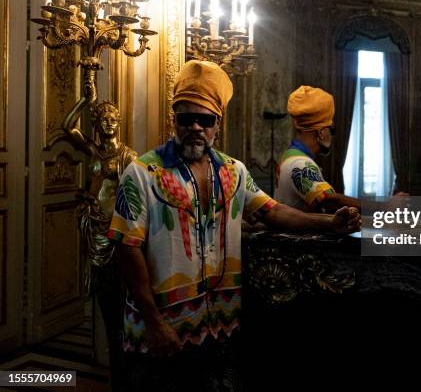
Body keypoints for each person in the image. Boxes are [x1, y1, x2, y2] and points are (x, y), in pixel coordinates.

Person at [108, 61, 360, 391]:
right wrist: (154, 322)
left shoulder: (234, 172)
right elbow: (127, 249)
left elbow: (274, 212)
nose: (195, 127)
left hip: (219, 328)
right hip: (160, 334)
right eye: (186, 118)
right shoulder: (141, 174)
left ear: (217, 125)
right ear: (173, 119)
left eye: (205, 119)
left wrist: (329, 222)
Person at [63, 97, 137, 391]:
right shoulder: (91, 150)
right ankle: (110, 362)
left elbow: (133, 198)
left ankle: (119, 367)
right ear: (97, 123)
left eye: (113, 117)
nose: (108, 121)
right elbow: (68, 126)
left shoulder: (128, 156)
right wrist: (85, 98)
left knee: (116, 304)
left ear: (119, 122)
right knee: (101, 296)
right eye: (103, 117)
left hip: (114, 233)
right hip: (93, 228)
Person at [275, 85, 360, 213]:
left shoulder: (290, 155)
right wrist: (383, 207)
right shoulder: (301, 164)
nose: (332, 136)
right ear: (321, 133)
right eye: (332, 130)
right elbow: (331, 201)